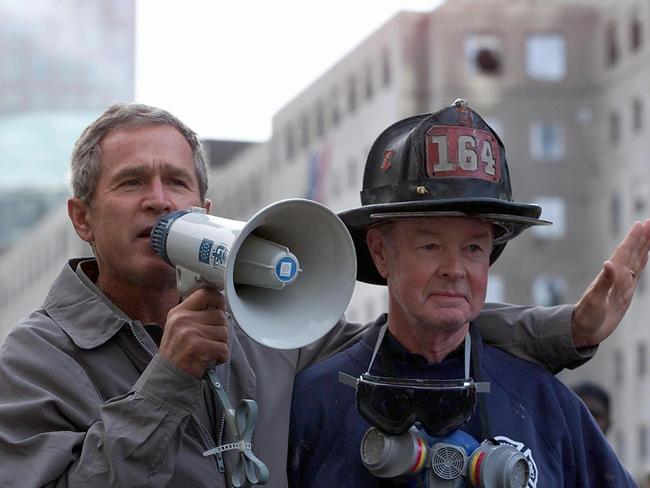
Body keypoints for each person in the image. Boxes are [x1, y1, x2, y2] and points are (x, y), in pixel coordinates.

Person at [0, 103, 642, 488]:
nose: (159, 200)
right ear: (82, 219)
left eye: (177, 182)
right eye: (131, 182)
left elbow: (413, 328)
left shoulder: (264, 329)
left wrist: (569, 330)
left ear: (204, 208)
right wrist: (166, 381)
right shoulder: (36, 362)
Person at [288, 100, 644, 487]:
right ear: (380, 252)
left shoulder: (545, 404)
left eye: (473, 248)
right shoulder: (315, 403)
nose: (454, 270)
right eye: (430, 247)